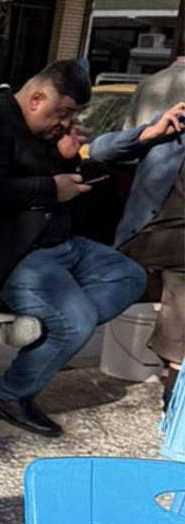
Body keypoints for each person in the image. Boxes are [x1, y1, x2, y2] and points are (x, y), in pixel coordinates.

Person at [0, 61, 147, 437]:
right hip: (2, 253)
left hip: (55, 245)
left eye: (72, 116)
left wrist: (66, 157)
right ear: (36, 98)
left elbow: (72, 192)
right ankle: (11, 393)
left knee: (128, 275)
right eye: (62, 113)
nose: (65, 123)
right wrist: (51, 187)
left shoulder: (44, 134)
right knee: (74, 321)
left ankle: (48, 325)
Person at [90, 73, 185, 411]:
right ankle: (176, 392)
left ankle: (176, 386)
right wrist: (150, 132)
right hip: (150, 235)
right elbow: (101, 150)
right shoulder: (171, 133)